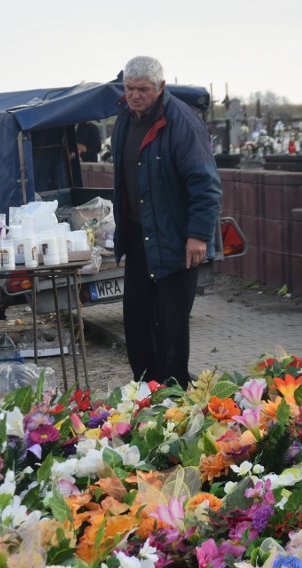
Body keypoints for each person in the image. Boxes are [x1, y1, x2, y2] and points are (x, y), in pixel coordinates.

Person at [110, 55, 222, 387]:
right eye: (129, 88)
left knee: (171, 327)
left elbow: (206, 184)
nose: (134, 95)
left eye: (142, 89)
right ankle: (144, 393)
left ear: (160, 87)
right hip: (139, 238)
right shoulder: (125, 120)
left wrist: (198, 236)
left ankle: (173, 401)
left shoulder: (181, 123)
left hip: (176, 241)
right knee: (137, 323)